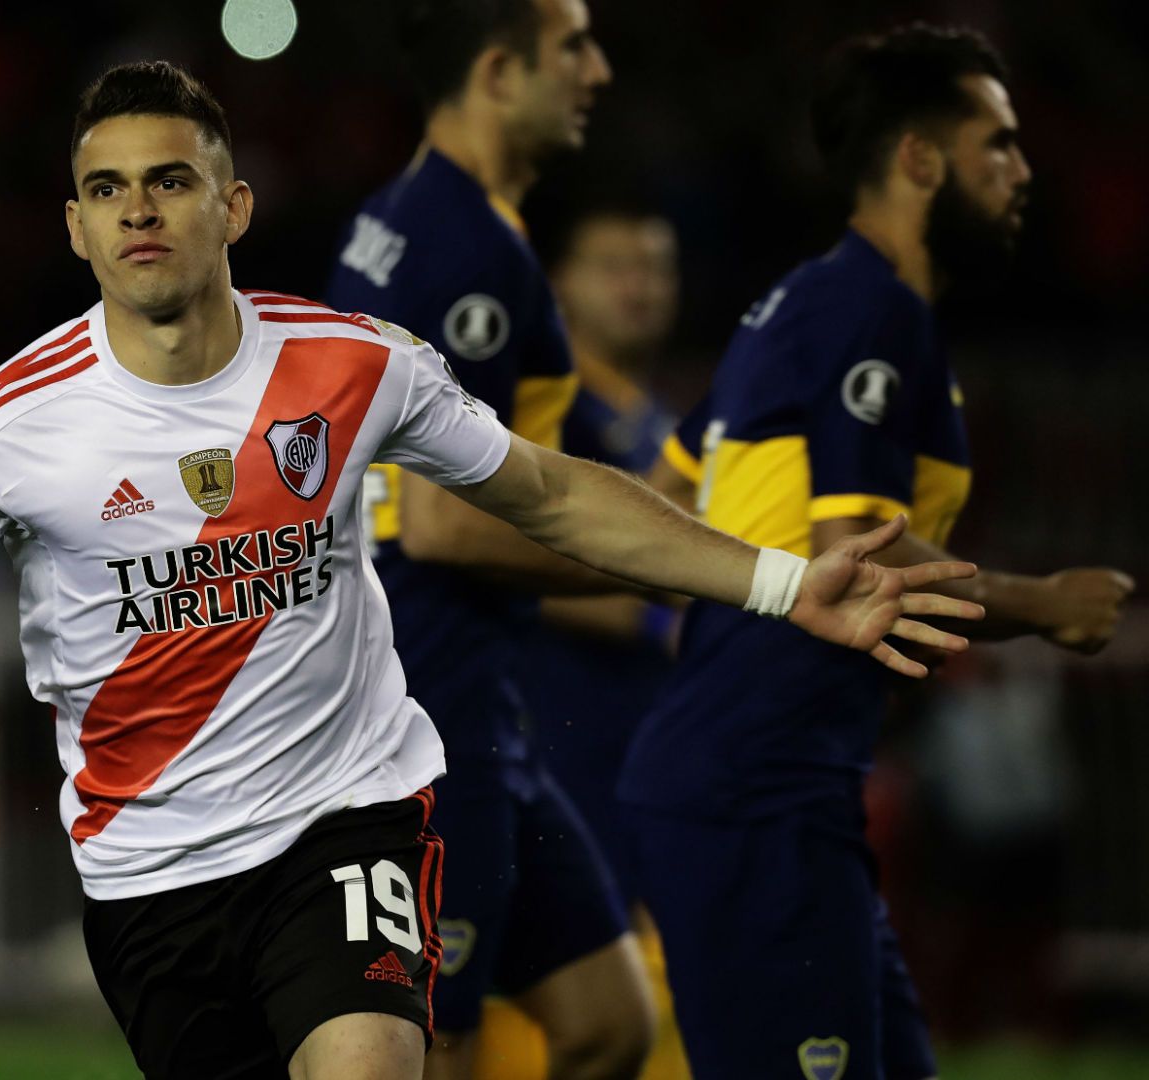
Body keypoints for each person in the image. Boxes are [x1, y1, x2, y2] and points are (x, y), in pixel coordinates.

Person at [0, 61, 981, 1080]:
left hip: (351, 816)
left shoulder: (346, 363)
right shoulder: (0, 429)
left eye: (173, 180)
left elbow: (557, 500)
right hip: (150, 875)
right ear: (73, 226)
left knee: (377, 1063)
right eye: (110, 186)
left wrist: (786, 580)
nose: (142, 206)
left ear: (229, 209)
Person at [618, 25, 1134, 1080]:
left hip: (768, 785)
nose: (1023, 170)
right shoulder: (870, 312)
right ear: (919, 158)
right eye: (998, 143)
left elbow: (656, 504)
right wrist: (1046, 602)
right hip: (757, 791)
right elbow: (862, 563)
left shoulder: (798, 306)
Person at [326, 3, 656, 1077]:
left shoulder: (400, 218)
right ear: (500, 72)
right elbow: (445, 520)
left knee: (610, 1022)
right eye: (575, 48)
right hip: (434, 710)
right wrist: (663, 560)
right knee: (438, 1047)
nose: (599, 72)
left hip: (479, 701)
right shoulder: (467, 249)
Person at [475, 202, 692, 1080]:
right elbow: (503, 550)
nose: (639, 288)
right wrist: (667, 611)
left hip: (634, 746)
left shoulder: (649, 417)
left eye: (656, 267)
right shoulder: (553, 415)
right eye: (615, 266)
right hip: (560, 732)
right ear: (561, 282)